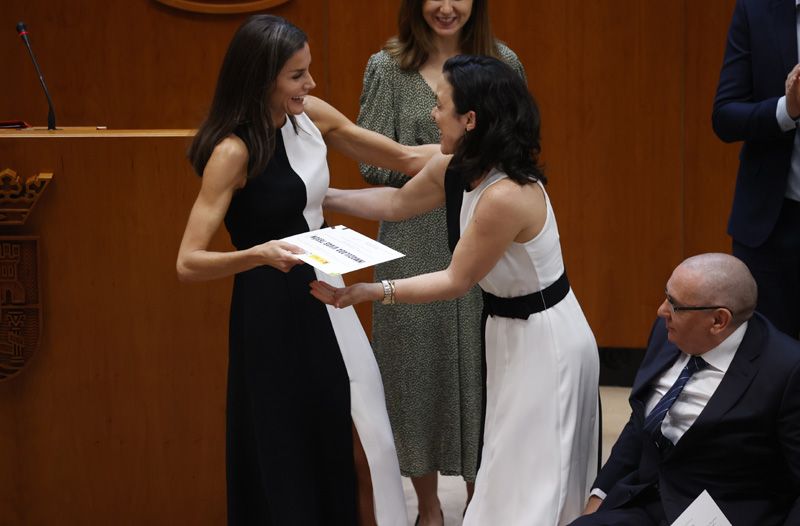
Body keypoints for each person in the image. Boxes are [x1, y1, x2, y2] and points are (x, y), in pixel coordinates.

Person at [311, 55, 599, 526]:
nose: (431, 115)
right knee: (507, 464)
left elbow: (454, 280)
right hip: (508, 331)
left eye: (440, 106)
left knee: (531, 475)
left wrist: (370, 291)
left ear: (470, 119)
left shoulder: (505, 195)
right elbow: (397, 202)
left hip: (546, 341)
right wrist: (313, 196)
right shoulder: (461, 163)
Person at [176, 14, 433, 526]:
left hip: (327, 287)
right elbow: (188, 262)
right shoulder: (232, 151)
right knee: (290, 439)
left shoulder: (309, 113)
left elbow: (404, 158)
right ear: (262, 76)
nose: (310, 84)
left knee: (363, 427)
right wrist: (258, 254)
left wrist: (472, 152)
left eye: (308, 71)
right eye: (297, 75)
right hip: (272, 308)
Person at [356, 1, 525, 522]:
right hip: (409, 233)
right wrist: (437, 166)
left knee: (482, 369)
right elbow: (368, 160)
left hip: (485, 230)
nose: (446, 6)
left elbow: (514, 145)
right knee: (413, 372)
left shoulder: (502, 62)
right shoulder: (387, 66)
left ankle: (481, 501)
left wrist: (432, 160)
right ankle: (428, 506)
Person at [571, 253, 800, 526]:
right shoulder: (668, 330)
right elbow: (639, 423)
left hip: (724, 513)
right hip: (644, 501)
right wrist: (599, 498)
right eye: (667, 295)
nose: (661, 310)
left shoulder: (786, 370)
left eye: (675, 305)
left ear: (718, 321)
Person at [712, 0, 800, 339]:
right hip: (772, 229)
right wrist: (786, 109)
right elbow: (725, 115)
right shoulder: (757, 8)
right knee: (772, 364)